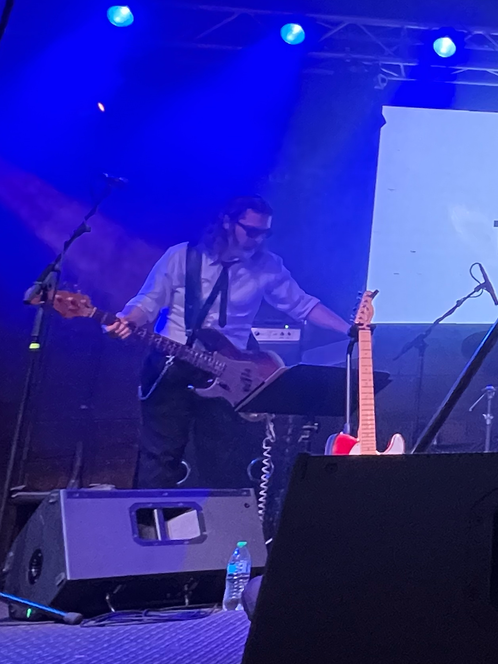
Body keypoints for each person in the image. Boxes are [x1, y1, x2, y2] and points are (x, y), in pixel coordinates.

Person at [107, 196, 350, 488]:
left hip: (227, 373)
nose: (258, 240)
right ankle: (150, 516)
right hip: (172, 365)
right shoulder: (182, 256)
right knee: (160, 457)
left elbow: (302, 305)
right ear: (227, 222)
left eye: (265, 233)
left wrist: (350, 330)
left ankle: (219, 518)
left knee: (222, 462)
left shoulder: (267, 266)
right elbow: (149, 300)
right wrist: (128, 319)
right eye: (252, 231)